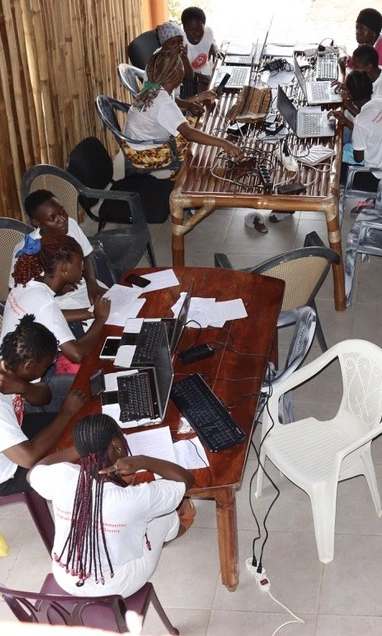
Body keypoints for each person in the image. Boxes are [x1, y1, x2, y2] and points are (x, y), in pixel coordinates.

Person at [28, 413, 194, 596]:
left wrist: (84, 448)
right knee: (164, 513)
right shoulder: (134, 498)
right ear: (117, 444)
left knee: (140, 512)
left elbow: (33, 472)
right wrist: (143, 461)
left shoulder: (62, 476)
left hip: (65, 576)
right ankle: (174, 531)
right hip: (116, 585)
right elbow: (185, 480)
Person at [122, 50, 243, 178]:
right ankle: (180, 183)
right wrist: (224, 143)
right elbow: (189, 133)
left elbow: (173, 106)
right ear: (174, 75)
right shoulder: (162, 101)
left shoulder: (154, 87)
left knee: (195, 125)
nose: (184, 68)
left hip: (134, 141)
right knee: (195, 150)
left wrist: (199, 97)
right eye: (182, 67)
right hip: (143, 153)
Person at [0, 314, 85, 495]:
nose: (47, 369)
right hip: (7, 474)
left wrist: (23, 387)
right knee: (80, 456)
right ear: (29, 365)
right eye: (46, 365)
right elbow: (28, 458)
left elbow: (44, 396)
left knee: (79, 424)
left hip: (18, 430)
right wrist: (65, 413)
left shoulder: (9, 364)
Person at [2, 233, 111, 372]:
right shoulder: (44, 301)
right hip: (24, 385)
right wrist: (101, 318)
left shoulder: (25, 282)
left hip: (10, 370)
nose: (83, 267)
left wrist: (90, 313)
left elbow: (48, 317)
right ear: (64, 268)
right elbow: (76, 354)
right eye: (80, 263)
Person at [9, 190, 107, 311]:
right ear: (36, 222)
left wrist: (92, 284)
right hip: (53, 302)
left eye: (62, 211)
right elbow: (17, 292)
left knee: (115, 307)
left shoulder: (71, 225)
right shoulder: (27, 249)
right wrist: (55, 290)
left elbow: (85, 257)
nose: (62, 219)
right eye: (52, 218)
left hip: (82, 286)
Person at [330, 69, 382, 200]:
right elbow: (370, 130)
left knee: (332, 167)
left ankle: (337, 204)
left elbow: (358, 158)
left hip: (374, 178)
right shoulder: (379, 102)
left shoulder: (361, 120)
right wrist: (347, 122)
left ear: (351, 96)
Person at [155, 21, 217, 115]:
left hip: (175, 101)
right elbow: (167, 101)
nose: (177, 46)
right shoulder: (160, 63)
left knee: (207, 99)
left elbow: (190, 77)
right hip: (163, 110)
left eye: (180, 42)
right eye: (172, 43)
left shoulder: (174, 56)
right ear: (163, 43)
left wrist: (184, 58)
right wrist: (189, 105)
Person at [181, 6, 221, 92]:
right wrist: (208, 79)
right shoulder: (181, 44)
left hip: (207, 73)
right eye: (191, 29)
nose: (196, 33)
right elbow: (186, 76)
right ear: (184, 28)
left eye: (200, 28)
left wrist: (214, 46)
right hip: (191, 82)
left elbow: (211, 39)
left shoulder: (208, 31)